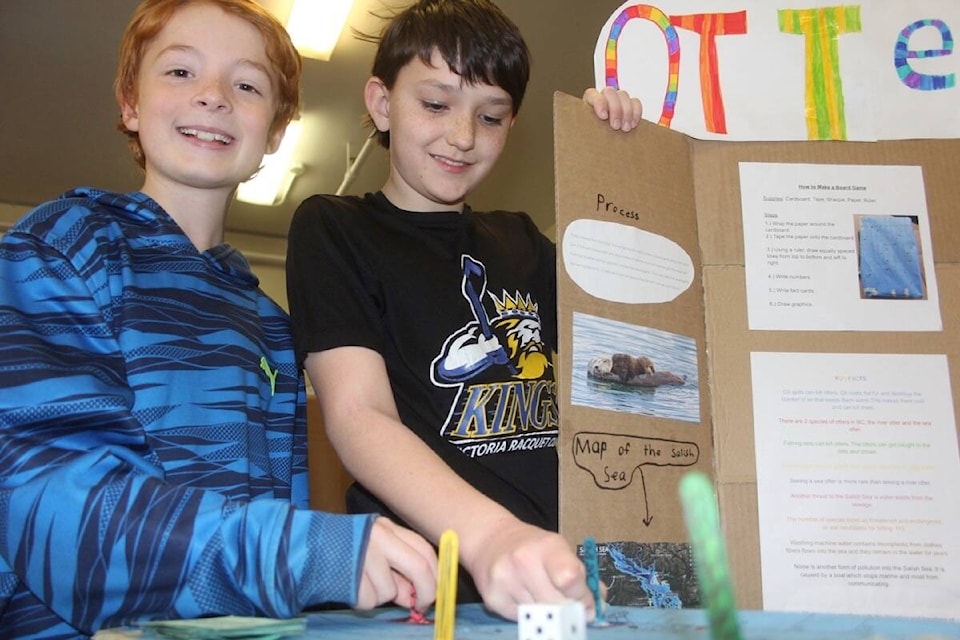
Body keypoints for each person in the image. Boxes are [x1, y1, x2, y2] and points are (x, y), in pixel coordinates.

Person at [0, 1, 437, 637]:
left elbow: (278, 521)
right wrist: (308, 553)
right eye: (180, 73)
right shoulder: (61, 248)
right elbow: (50, 500)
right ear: (130, 103)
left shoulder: (272, 325)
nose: (212, 97)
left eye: (246, 84)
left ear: (276, 134)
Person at [284, 0, 642, 622]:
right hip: (427, 589)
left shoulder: (525, 242)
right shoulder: (335, 227)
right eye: (435, 103)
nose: (463, 136)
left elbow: (624, 338)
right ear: (380, 103)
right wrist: (492, 538)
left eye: (492, 115)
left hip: (560, 572)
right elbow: (358, 414)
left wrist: (617, 160)